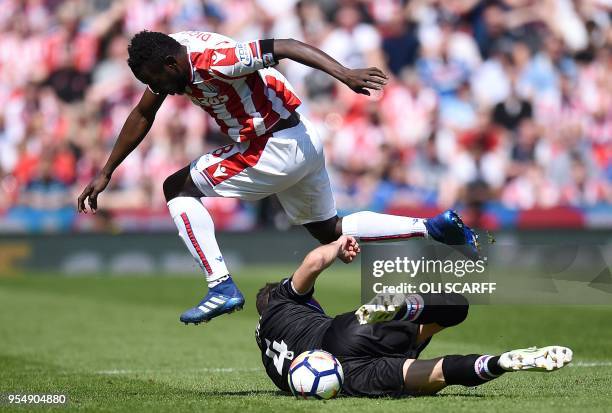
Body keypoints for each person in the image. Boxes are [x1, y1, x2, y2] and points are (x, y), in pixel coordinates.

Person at [77, 30, 480, 325]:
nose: (157, 88)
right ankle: (434, 228)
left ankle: (219, 284)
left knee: (176, 187)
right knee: (329, 231)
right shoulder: (171, 53)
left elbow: (282, 46)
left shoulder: (215, 59)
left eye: (156, 80)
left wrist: (344, 74)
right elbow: (143, 114)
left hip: (273, 146)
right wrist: (106, 171)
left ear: (171, 65)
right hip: (302, 137)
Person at [255, 236, 572, 397]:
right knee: (456, 306)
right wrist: (339, 244)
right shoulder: (282, 301)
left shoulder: (267, 351)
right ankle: (402, 305)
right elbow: (312, 263)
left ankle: (498, 362)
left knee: (431, 376)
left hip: (342, 380)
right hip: (340, 335)